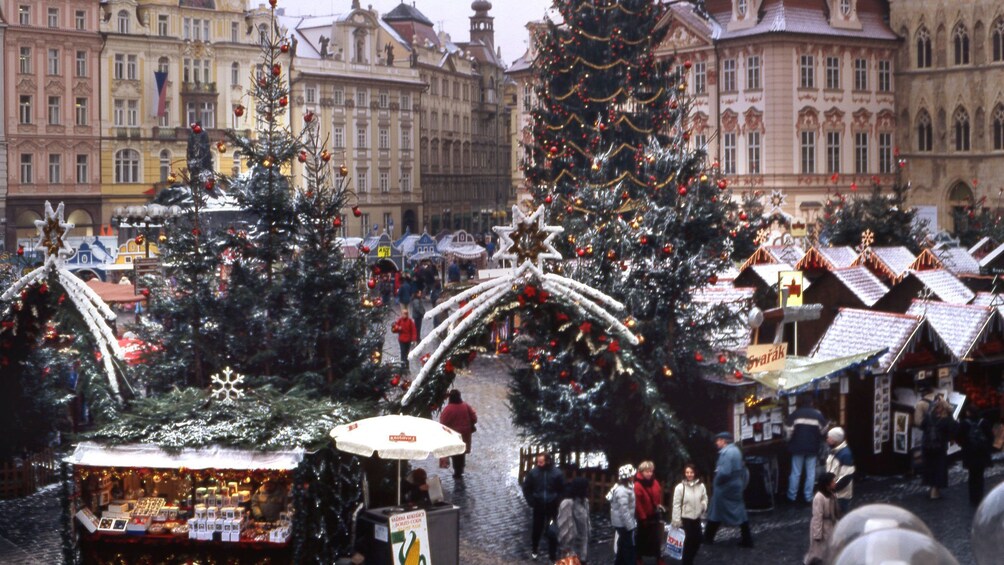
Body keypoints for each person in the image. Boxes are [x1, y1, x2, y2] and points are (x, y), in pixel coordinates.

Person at [705, 432, 753, 548]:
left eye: (718, 440)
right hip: (736, 485)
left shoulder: (726, 453)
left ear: (724, 441)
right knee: (740, 512)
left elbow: (724, 472)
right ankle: (747, 539)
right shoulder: (736, 451)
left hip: (725, 487)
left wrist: (717, 481)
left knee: (715, 512)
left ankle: (708, 537)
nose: (717, 443)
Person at [521, 452, 564, 561]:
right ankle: (535, 549)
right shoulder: (533, 473)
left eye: (541, 462)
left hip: (551, 508)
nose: (539, 464)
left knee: (552, 530)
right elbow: (526, 488)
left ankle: (552, 556)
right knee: (537, 529)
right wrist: (531, 501)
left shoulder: (557, 474)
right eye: (538, 462)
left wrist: (557, 501)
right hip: (538, 507)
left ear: (548, 461)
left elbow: (562, 490)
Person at [785, 397, 828, 504]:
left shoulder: (795, 414)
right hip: (812, 447)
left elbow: (788, 431)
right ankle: (808, 497)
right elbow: (824, 430)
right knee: (811, 473)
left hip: (797, 447)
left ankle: (792, 496)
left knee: (795, 473)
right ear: (812, 402)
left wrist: (788, 440)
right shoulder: (817, 415)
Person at [920, 398, 957, 499]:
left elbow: (922, 426)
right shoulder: (947, 420)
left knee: (929, 467)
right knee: (939, 468)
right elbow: (954, 430)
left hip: (927, 447)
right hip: (940, 448)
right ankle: (935, 491)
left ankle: (931, 487)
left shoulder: (928, 417)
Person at [671, 462, 708, 565]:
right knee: (688, 543)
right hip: (685, 519)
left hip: (696, 518)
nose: (689, 474)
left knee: (698, 540)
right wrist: (676, 520)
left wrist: (703, 505)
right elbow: (676, 504)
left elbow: (704, 497)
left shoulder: (701, 486)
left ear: (695, 473)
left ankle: (689, 560)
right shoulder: (680, 487)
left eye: (691, 472)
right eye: (687, 472)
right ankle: (687, 562)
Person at [957, 404, 993, 505]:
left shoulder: (964, 424)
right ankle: (980, 496)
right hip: (981, 453)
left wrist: (965, 445)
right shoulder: (984, 422)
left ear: (968, 412)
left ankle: (973, 498)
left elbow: (958, 438)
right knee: (980, 476)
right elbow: (990, 437)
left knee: (972, 476)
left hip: (970, 453)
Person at [438, 390, 477, 478]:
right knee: (461, 453)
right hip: (465, 435)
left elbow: (443, 422)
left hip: (454, 435)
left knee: (455, 453)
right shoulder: (465, 406)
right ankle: (460, 468)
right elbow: (474, 417)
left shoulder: (448, 409)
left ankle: (457, 471)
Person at [633, 460, 666, 565]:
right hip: (644, 517)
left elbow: (658, 495)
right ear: (641, 472)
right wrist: (643, 517)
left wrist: (658, 505)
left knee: (656, 538)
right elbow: (638, 503)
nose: (649, 474)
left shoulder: (654, 482)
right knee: (642, 538)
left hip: (654, 514)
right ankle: (638, 557)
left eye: (651, 471)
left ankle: (658, 557)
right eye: (647, 471)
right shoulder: (637, 485)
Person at [803, 472, 839, 565]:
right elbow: (817, 516)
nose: (835, 483)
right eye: (832, 482)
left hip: (829, 526)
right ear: (827, 484)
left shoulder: (832, 494)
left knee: (829, 549)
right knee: (817, 552)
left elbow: (835, 512)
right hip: (822, 527)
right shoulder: (819, 497)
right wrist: (817, 535)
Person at [557, 476, 590, 563]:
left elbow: (586, 524)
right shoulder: (567, 503)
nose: (588, 490)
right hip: (571, 550)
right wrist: (567, 548)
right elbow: (564, 528)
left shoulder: (585, 502)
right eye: (586, 488)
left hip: (582, 549)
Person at [609, 464, 637, 565]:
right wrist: (630, 526)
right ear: (628, 476)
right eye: (632, 474)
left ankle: (618, 562)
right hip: (623, 523)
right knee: (629, 547)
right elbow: (623, 511)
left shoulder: (627, 487)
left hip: (622, 522)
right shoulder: (622, 491)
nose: (634, 476)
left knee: (622, 544)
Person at [824, 427, 855, 515]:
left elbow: (846, 477)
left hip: (840, 496)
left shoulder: (845, 455)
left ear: (835, 440)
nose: (827, 439)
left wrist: (833, 488)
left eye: (829, 437)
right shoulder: (834, 451)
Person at [390, 306, 417, 371]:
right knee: (403, 353)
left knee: (406, 353)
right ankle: (403, 366)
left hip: (408, 340)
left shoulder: (410, 321)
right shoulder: (399, 320)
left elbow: (414, 330)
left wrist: (414, 339)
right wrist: (397, 328)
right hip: (402, 340)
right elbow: (394, 329)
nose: (404, 315)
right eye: (403, 314)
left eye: (405, 314)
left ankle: (406, 366)